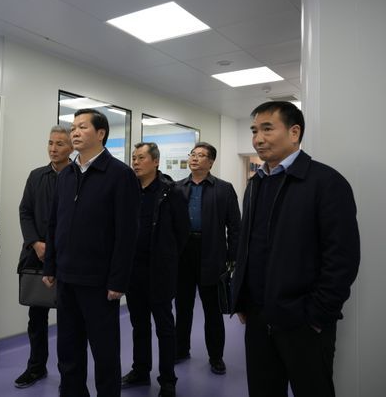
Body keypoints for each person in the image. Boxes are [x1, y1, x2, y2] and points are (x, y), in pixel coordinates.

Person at [231, 101, 360, 397]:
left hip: (303, 323)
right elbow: (248, 247)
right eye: (254, 131)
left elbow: (342, 259)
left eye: (267, 129)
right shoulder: (255, 184)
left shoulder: (326, 182)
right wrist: (242, 298)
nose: (258, 138)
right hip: (258, 317)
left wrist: (316, 315)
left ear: (294, 132)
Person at [42, 108, 140, 397]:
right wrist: (50, 265)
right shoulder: (66, 174)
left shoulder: (120, 174)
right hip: (66, 278)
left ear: (101, 133)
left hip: (99, 282)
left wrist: (118, 280)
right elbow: (54, 224)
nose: (75, 132)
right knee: (68, 350)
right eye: (73, 127)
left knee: (104, 352)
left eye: (82, 127)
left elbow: (127, 233)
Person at [121, 142, 188, 397]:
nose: (136, 162)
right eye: (134, 158)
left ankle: (168, 379)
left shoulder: (171, 192)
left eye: (141, 158)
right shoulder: (129, 191)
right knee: (139, 325)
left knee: (164, 327)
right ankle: (140, 370)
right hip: (134, 271)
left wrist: (167, 257)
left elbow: (182, 232)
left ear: (156, 162)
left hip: (160, 271)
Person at [174, 142, 240, 375]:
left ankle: (216, 357)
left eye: (201, 155)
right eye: (193, 154)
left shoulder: (224, 189)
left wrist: (232, 257)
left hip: (212, 253)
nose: (195, 158)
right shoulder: (177, 188)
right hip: (183, 254)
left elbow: (235, 226)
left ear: (211, 162)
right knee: (182, 307)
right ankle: (180, 349)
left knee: (212, 309)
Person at [14, 125, 73, 388]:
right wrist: (36, 243)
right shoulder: (36, 176)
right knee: (36, 317)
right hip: (37, 257)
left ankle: (68, 375)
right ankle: (36, 367)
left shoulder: (79, 176)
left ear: (71, 147)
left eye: (60, 144)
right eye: (50, 143)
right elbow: (25, 212)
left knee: (69, 321)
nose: (53, 148)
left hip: (69, 259)